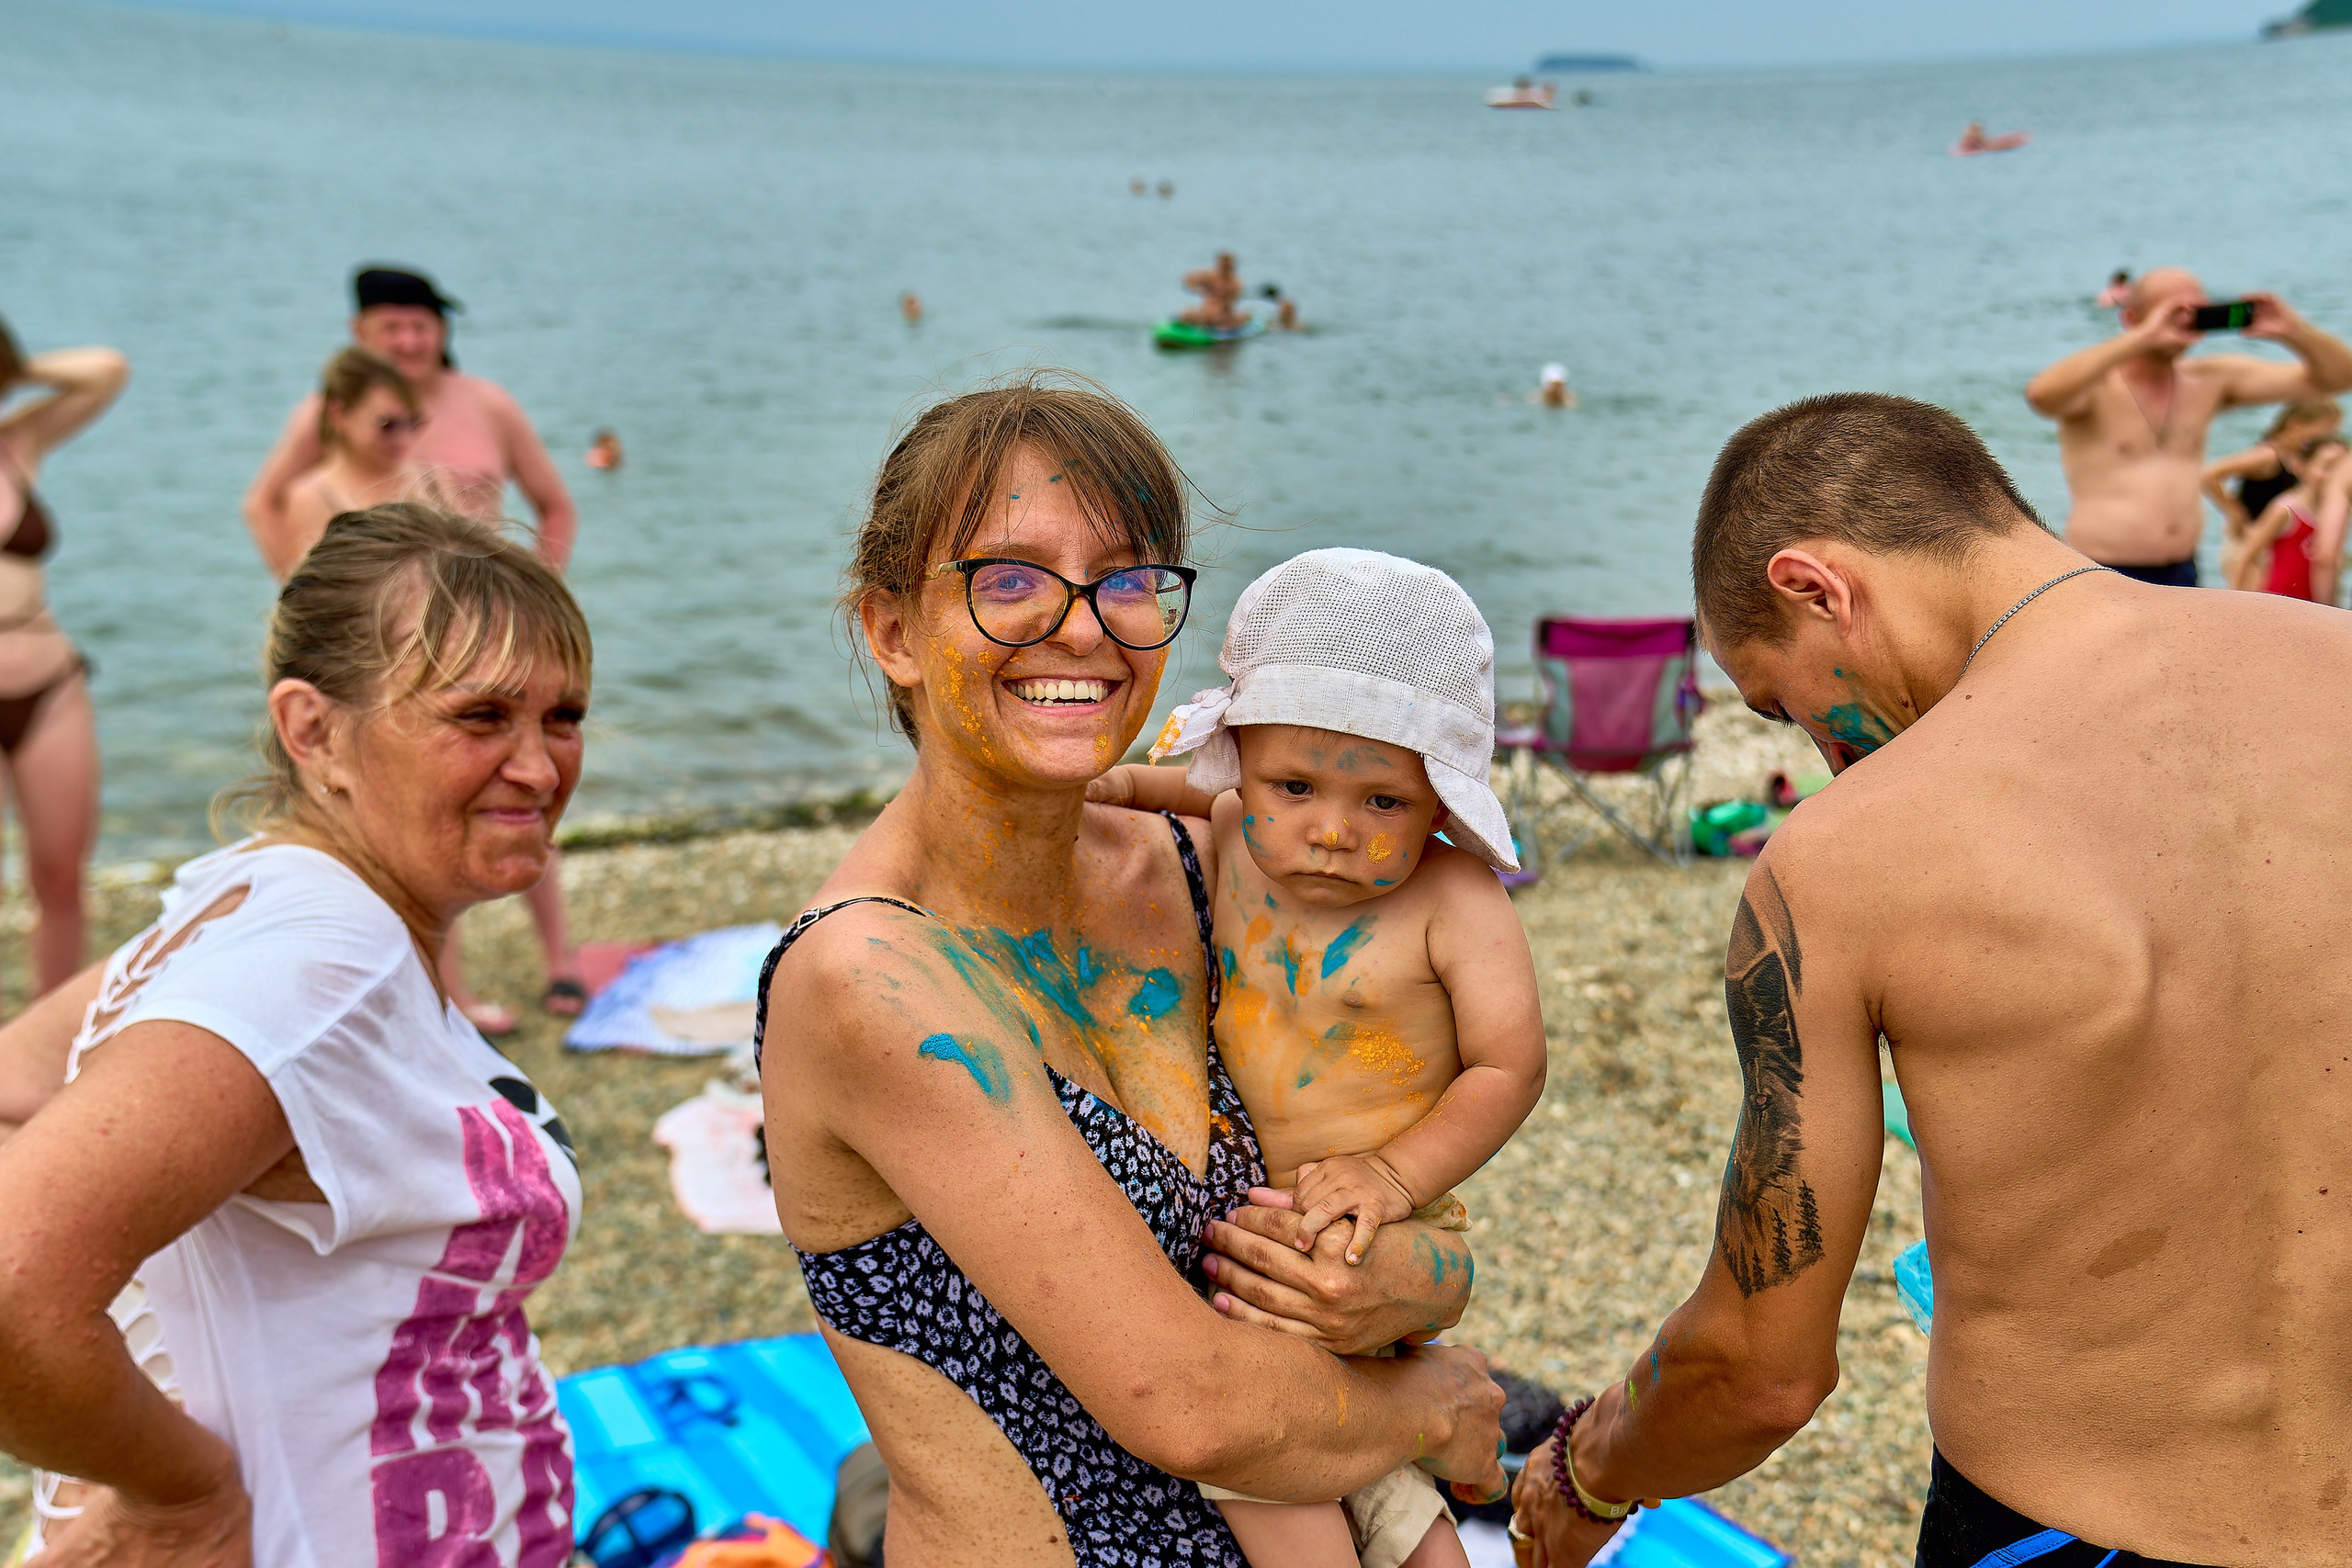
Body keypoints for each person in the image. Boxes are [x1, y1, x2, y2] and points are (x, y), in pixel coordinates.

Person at [1509, 392, 2352, 1568]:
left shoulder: (1846, 857)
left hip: (2068, 1539)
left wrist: (1585, 1470)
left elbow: (1759, 1368)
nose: (1822, 755)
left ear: (1815, 588)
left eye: (1781, 701)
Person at [758, 374, 1508, 1568]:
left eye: (1125, 579)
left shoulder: (1203, 865)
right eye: (1007, 578)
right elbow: (1184, 1397)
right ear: (892, 630)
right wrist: (1444, 1406)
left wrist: (1426, 1273)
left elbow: (1388, 1169)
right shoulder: (869, 974)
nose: (1082, 626)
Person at [0, 503, 590, 1564]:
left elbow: (16, 1084)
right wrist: (176, 1488)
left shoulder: (254, 899)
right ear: (313, 730)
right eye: (482, 716)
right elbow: (9, 1279)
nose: (541, 769)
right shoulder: (318, 967)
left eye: (562, 716)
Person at [1092, 548, 1547, 1568]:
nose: (1332, 830)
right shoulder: (1226, 831)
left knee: (1274, 1450)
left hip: (1365, 1217)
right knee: (1366, 1469)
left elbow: (1508, 1067)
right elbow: (1163, 789)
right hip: (1247, 1216)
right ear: (1241, 767)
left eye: (1382, 802)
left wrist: (1393, 1176)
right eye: (1293, 786)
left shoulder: (1453, 903)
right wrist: (1097, 783)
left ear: (1440, 799)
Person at [243, 265, 584, 1032]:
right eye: (391, 327)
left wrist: (537, 603)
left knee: (530, 787)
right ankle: (441, 991)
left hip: (504, 636)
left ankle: (559, 962)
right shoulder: (331, 415)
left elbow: (555, 502)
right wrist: (306, 604)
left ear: (443, 329)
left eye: (421, 325)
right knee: (435, 814)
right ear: (361, 336)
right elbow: (267, 501)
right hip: (401, 659)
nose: (408, 339)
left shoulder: (485, 403)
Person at [2023, 267, 2352, 585]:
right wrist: (2142, 337)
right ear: (2132, 317)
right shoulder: (2096, 387)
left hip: (2182, 571)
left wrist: (2294, 331)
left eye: (2194, 309)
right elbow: (2042, 395)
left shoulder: (2208, 380)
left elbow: (2337, 378)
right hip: (2103, 571)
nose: (2182, 320)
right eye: (2170, 311)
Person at [0, 317, 127, 1004]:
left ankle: (46, 1045)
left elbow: (105, 369)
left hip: (49, 682)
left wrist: (15, 369)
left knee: (59, 876)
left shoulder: (16, 444)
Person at [268, 348, 447, 580]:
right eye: (387, 425)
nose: (404, 438)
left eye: (413, 422)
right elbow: (315, 597)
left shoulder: (430, 478)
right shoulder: (311, 497)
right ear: (339, 413)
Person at [2199, 398, 2339, 581]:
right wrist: (2234, 512)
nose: (2324, 440)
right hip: (2249, 546)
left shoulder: (2292, 458)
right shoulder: (2267, 456)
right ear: (2296, 425)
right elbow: (2210, 475)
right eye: (2321, 432)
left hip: (2271, 545)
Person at [2233, 435, 2348, 602]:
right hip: (2279, 603)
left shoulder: (2337, 516)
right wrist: (2244, 603)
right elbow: (2245, 556)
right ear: (2302, 466)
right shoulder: (2286, 509)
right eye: (2327, 467)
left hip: (2314, 607)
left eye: (2340, 470)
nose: (2333, 477)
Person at [1181, 253, 1250, 332]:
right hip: (1206, 312)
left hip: (1223, 315)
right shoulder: (1210, 277)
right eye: (1223, 266)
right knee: (1185, 313)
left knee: (1243, 317)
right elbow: (1189, 278)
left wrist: (1226, 307)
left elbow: (1231, 304)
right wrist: (1195, 289)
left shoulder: (1235, 283)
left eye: (1228, 267)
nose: (1225, 268)